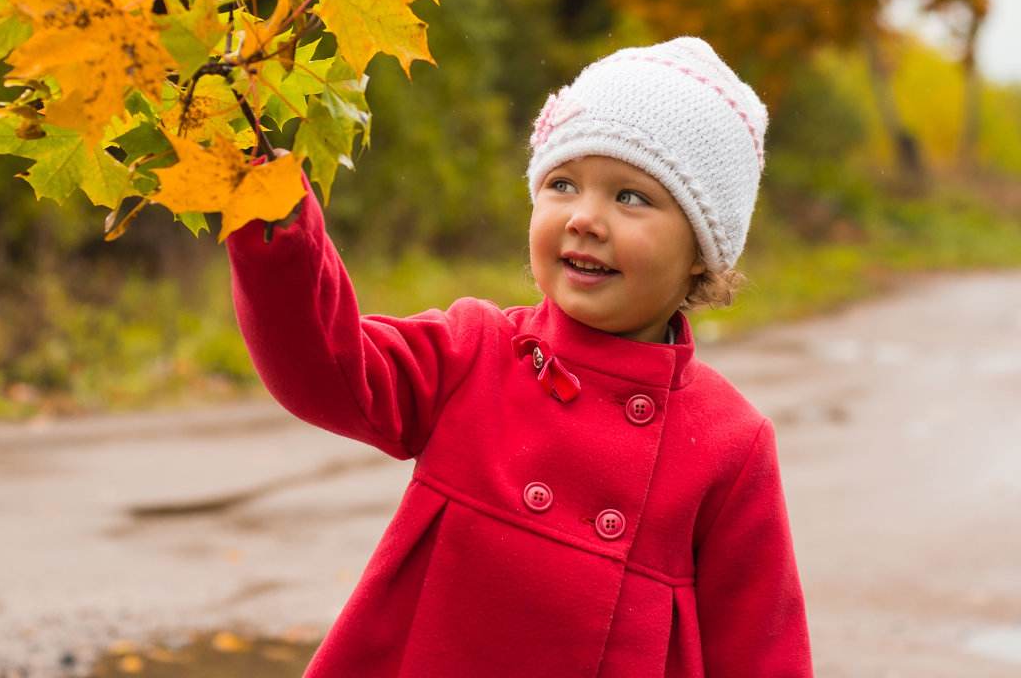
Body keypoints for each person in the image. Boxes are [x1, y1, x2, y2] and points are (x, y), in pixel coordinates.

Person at [226, 37, 813, 677]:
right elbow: (327, 371)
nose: (585, 218)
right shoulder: (475, 350)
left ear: (703, 249)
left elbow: (761, 646)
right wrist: (278, 232)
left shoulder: (729, 440)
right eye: (563, 183)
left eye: (632, 197)